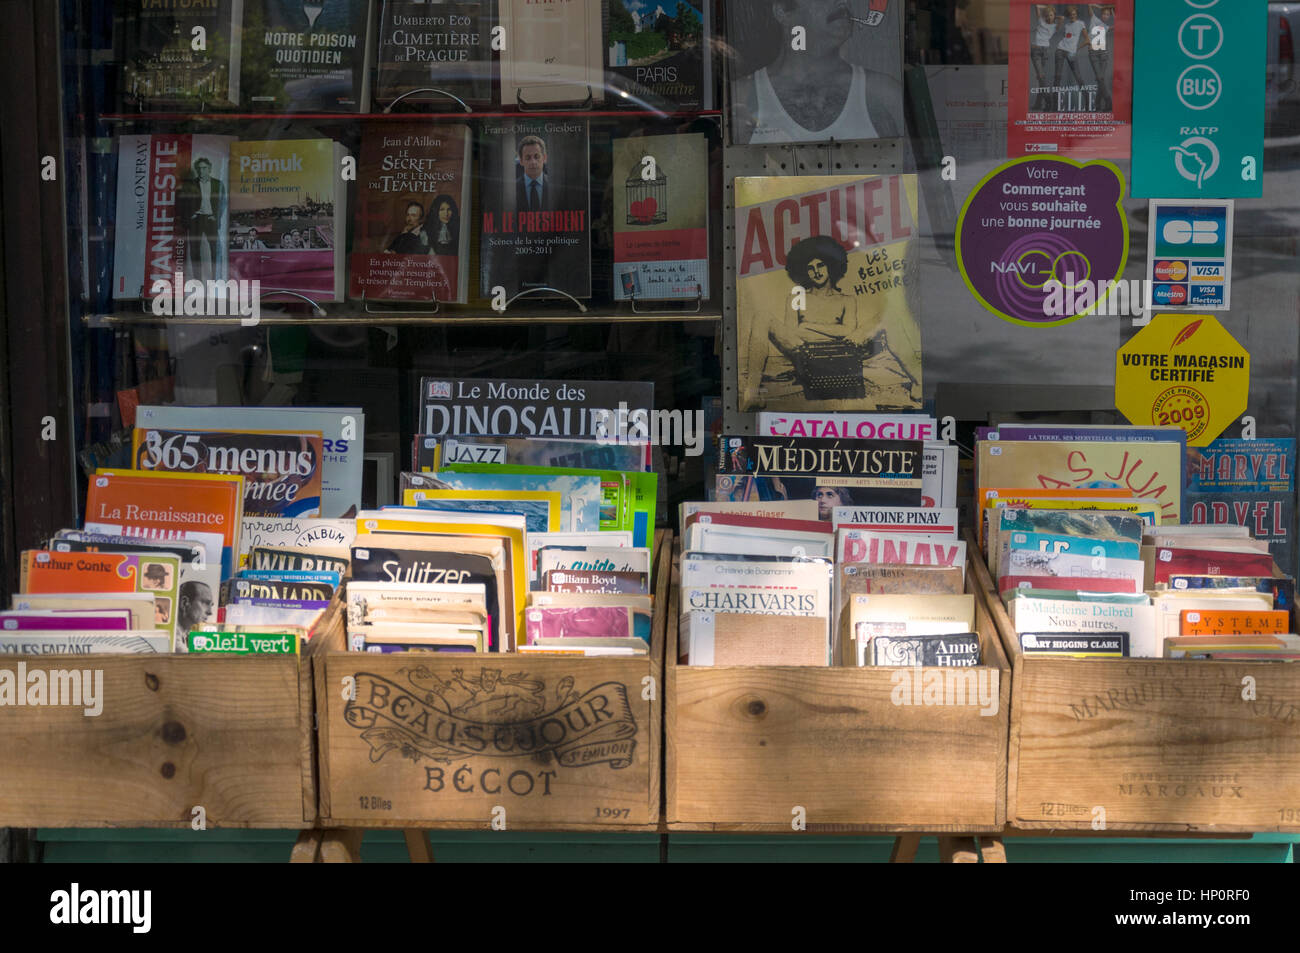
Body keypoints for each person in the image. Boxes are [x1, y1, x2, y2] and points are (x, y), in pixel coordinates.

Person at [732, 0, 903, 144]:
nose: (844, 2)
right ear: (783, 12)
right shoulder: (742, 97)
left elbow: (916, 173)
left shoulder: (885, 94)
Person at [177, 156, 224, 281]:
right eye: (199, 168)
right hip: (196, 219)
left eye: (204, 168)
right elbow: (183, 203)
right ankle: (197, 281)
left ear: (210, 169)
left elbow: (222, 202)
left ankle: (215, 279)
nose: (201, 171)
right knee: (194, 250)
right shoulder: (190, 184)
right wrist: (189, 217)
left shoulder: (218, 184)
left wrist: (216, 216)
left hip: (210, 219)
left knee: (215, 249)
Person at [514, 136, 555, 213]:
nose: (533, 162)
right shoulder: (512, 190)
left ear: (544, 158)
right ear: (521, 161)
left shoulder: (555, 186)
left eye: (537, 157)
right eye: (528, 158)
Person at [1030, 5, 1058, 112]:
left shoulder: (1055, 26)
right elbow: (1037, 6)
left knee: (1041, 78)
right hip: (1036, 51)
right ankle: (1045, 101)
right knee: (1041, 77)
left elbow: (1060, 19)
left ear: (1054, 16)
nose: (1049, 17)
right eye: (1047, 15)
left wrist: (1050, 9)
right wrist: (1046, 8)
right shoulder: (1041, 22)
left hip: (1045, 51)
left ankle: (1043, 103)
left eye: (1051, 15)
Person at [1054, 5, 1087, 95]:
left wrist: (1076, 48)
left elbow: (1087, 40)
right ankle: (1054, 102)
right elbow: (1066, 37)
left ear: (1076, 14)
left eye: (1074, 14)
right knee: (1057, 76)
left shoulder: (1081, 23)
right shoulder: (1066, 25)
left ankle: (1087, 97)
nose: (1073, 16)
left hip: (1071, 53)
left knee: (1078, 77)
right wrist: (1059, 20)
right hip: (1060, 50)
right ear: (1068, 15)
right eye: (1071, 14)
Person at [1088, 4, 1114, 112]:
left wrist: (1112, 11)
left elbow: (1120, 23)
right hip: (1093, 52)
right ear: (1101, 14)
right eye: (1104, 14)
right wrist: (1101, 7)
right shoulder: (1094, 19)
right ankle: (1108, 101)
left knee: (1100, 79)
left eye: (1108, 15)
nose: (1105, 16)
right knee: (1100, 78)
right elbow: (1089, 5)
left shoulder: (1107, 27)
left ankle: (1097, 105)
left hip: (1103, 53)